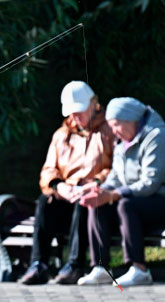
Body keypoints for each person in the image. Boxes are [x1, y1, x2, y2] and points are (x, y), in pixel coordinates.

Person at [77, 97, 165, 287]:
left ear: (130, 120)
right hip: (138, 201)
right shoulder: (123, 142)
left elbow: (150, 183)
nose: (114, 132)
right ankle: (101, 268)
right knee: (99, 205)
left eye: (115, 126)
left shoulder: (158, 136)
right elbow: (115, 176)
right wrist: (101, 191)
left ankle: (139, 270)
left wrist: (113, 195)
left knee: (125, 204)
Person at [17, 80, 115, 285]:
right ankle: (39, 264)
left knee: (84, 201)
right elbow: (48, 170)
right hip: (66, 195)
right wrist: (58, 186)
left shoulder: (109, 131)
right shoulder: (61, 135)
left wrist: (95, 182)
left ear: (94, 104)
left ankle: (75, 265)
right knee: (45, 202)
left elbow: (116, 168)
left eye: (79, 111)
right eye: (72, 112)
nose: (75, 117)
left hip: (94, 198)